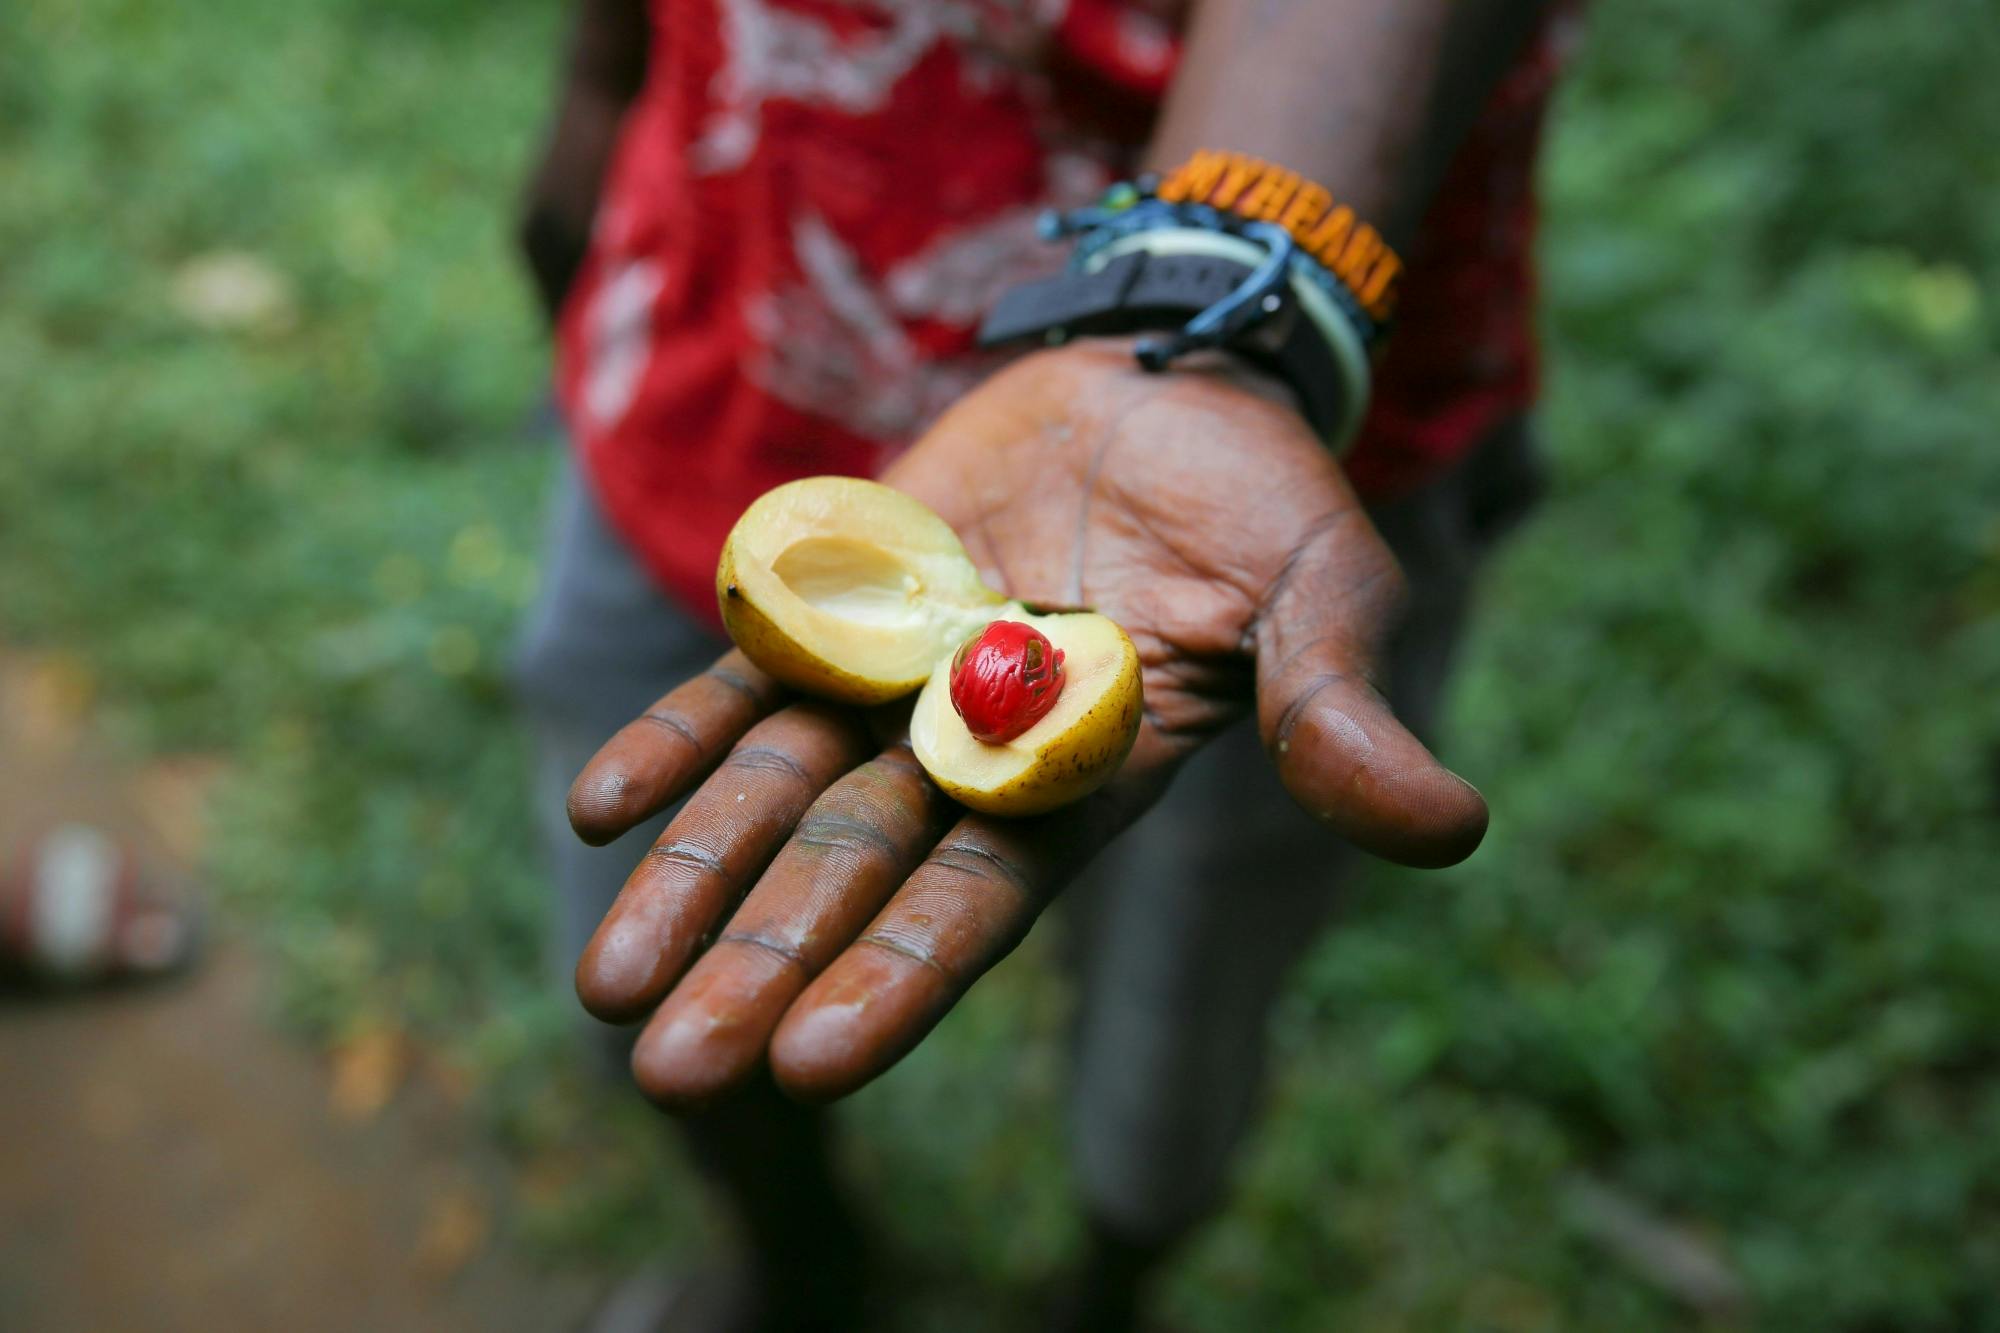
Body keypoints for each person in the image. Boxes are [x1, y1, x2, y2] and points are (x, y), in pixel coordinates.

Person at [512, 1, 1577, 1327]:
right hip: (732, 305)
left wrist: (1218, 316)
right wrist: (603, 70)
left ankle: (1113, 1287)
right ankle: (799, 1262)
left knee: (1176, 1021)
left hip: (1229, 454)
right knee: (654, 951)